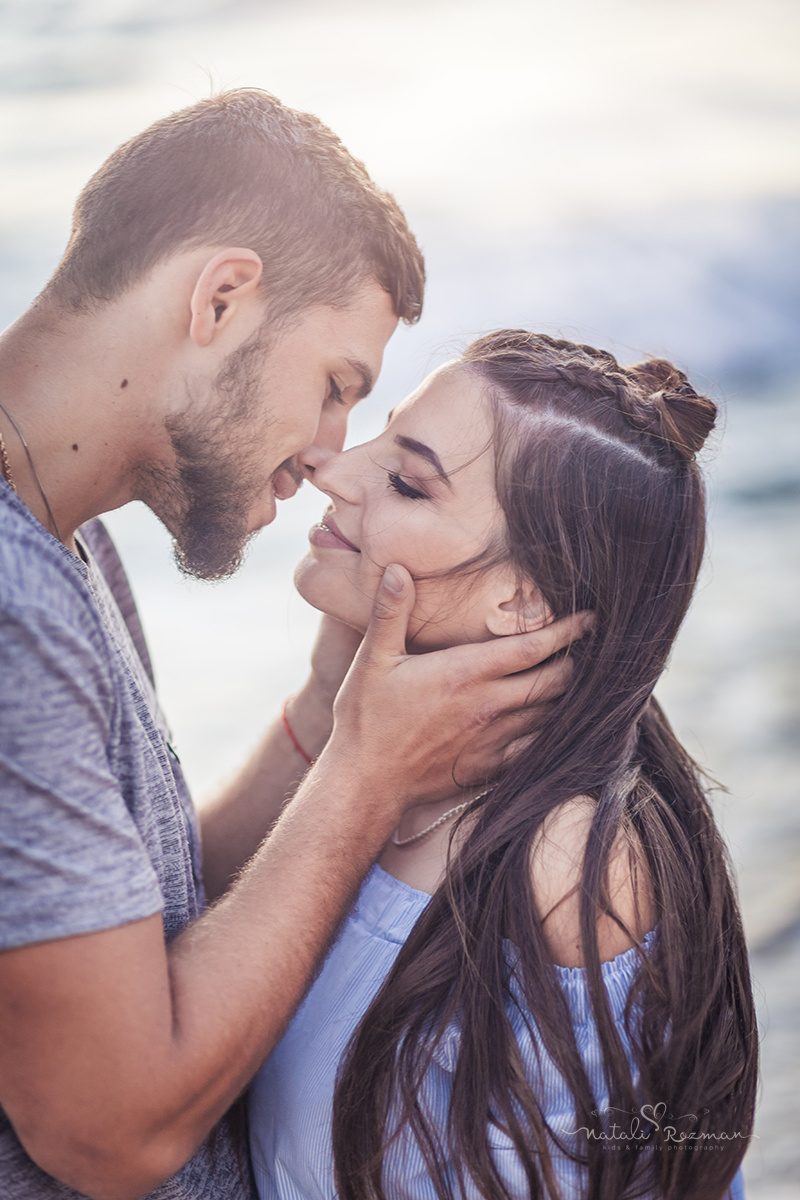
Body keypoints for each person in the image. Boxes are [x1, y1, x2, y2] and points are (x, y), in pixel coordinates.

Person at [0, 94, 586, 1200]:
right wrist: (367, 780)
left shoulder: (58, 539)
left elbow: (141, 926)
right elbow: (111, 1131)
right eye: (334, 389)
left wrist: (326, 716)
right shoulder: (11, 603)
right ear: (221, 297)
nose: (328, 458)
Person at [248, 331, 757, 1200]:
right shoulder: (380, 774)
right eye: (385, 431)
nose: (334, 469)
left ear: (522, 602)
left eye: (408, 481)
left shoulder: (560, 863)